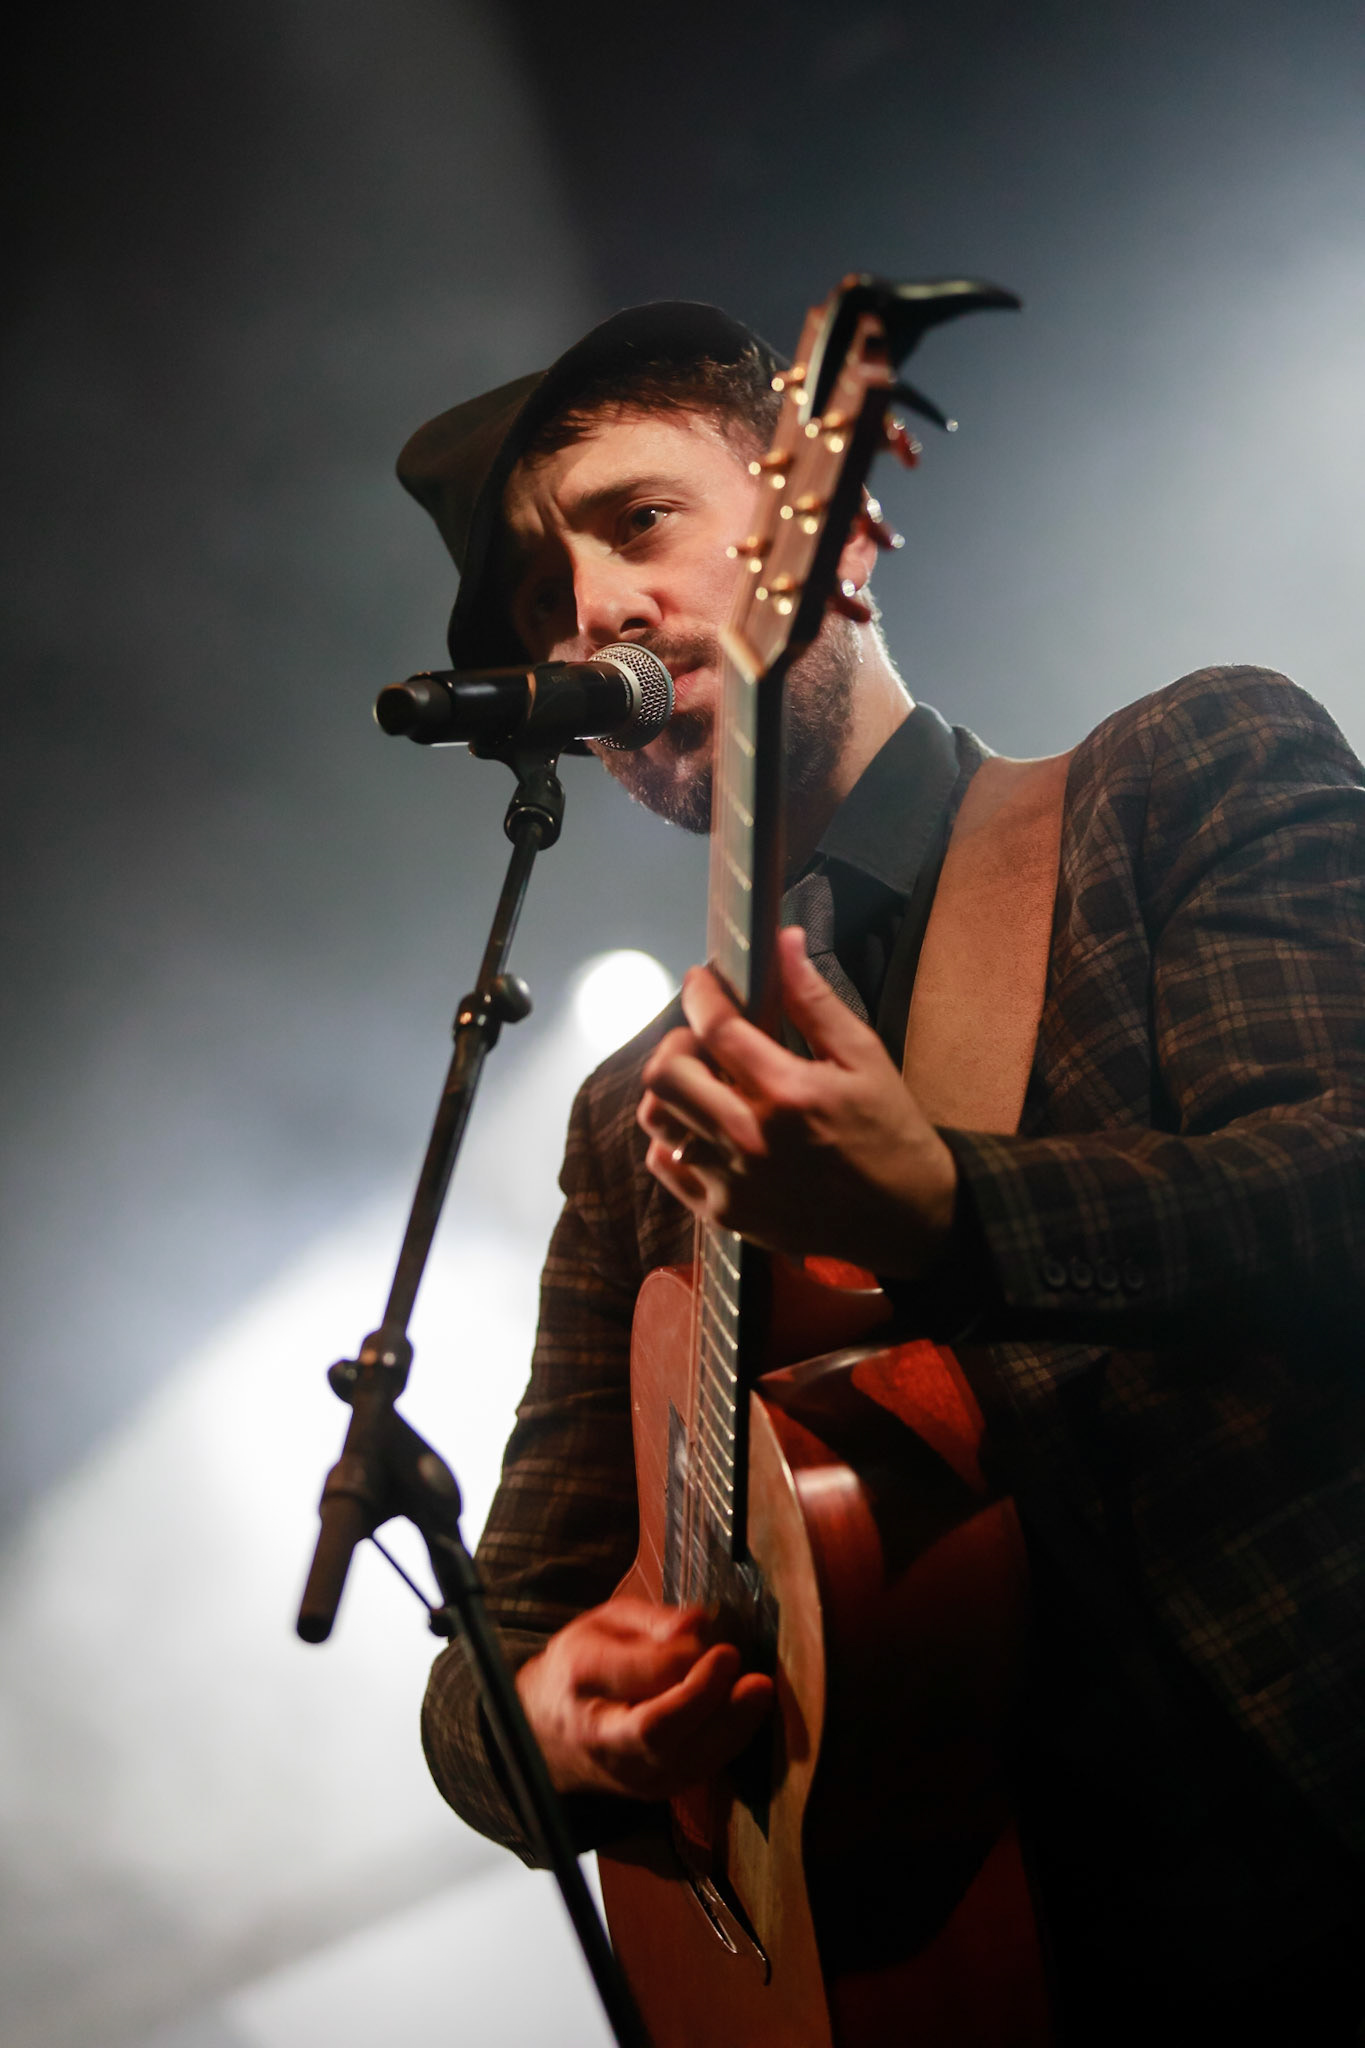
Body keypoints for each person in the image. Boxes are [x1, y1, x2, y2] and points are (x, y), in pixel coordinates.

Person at [395, 302, 1365, 2040]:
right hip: (941, 1973)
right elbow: (505, 1644)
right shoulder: (636, 1117)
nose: (595, 613)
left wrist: (946, 1213)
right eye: (544, 602)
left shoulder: (1178, 780)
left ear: (807, 516)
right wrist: (550, 1720)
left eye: (635, 522)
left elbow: (1340, 1185)